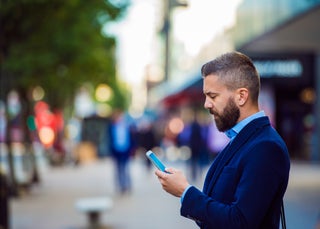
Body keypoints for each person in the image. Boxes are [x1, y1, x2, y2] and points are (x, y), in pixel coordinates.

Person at [155, 51, 290, 229]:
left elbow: (240, 222)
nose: (206, 104)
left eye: (213, 96)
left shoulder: (265, 147)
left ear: (241, 96)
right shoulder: (241, 138)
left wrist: (185, 192)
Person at [108, 109, 134, 194]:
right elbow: (109, 140)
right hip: (116, 151)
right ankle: (121, 186)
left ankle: (127, 185)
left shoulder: (127, 126)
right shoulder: (112, 127)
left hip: (125, 150)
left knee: (125, 169)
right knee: (118, 169)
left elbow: (132, 138)